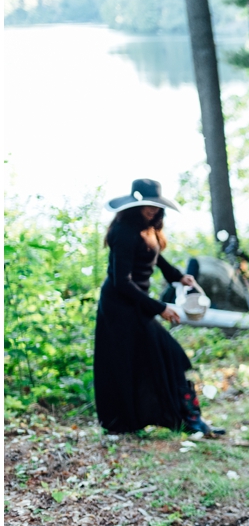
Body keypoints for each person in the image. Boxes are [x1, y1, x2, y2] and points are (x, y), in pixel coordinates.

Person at [94, 179, 224, 437]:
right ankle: (122, 424)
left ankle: (190, 418)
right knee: (129, 362)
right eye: (147, 206)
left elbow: (155, 258)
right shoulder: (124, 230)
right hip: (119, 308)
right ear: (135, 205)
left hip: (135, 304)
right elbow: (121, 281)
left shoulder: (148, 229)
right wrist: (160, 307)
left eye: (155, 206)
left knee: (166, 357)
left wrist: (178, 276)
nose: (152, 211)